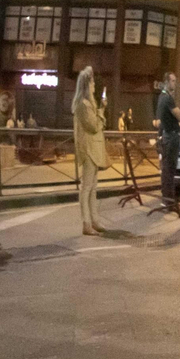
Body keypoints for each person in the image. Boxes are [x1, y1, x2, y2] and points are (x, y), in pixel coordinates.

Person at [73, 66, 108, 235]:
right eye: (93, 83)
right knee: (86, 188)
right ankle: (86, 223)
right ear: (86, 85)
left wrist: (101, 108)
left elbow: (96, 124)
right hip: (88, 150)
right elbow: (94, 126)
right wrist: (101, 112)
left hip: (93, 149)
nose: (94, 86)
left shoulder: (89, 104)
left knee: (93, 188)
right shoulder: (83, 105)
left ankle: (94, 221)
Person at [155, 72, 180, 211]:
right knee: (169, 170)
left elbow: (158, 121)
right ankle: (169, 201)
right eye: (172, 80)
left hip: (166, 136)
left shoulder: (161, 98)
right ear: (166, 82)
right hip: (171, 137)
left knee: (167, 170)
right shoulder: (167, 99)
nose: (175, 83)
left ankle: (167, 199)